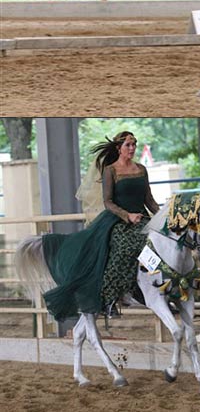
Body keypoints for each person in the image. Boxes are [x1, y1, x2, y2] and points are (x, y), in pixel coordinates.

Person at [42, 131, 160, 321]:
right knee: (124, 247)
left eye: (134, 144)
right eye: (128, 145)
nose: (132, 148)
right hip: (119, 220)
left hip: (142, 218)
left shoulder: (141, 169)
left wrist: (163, 215)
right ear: (118, 148)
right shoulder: (110, 170)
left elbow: (149, 199)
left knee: (162, 244)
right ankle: (111, 298)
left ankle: (159, 291)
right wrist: (127, 215)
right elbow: (108, 202)